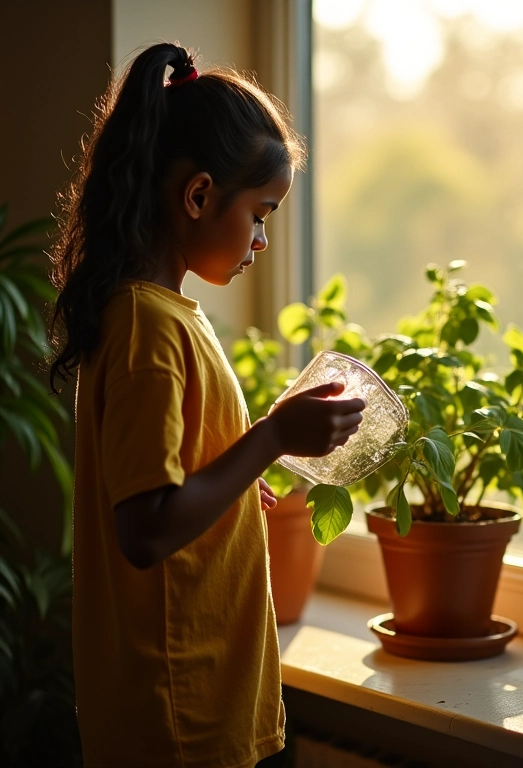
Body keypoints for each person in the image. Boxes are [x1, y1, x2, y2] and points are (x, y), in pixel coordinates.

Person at [48, 42, 365, 768]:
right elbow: (146, 531)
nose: (259, 241)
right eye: (260, 215)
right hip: (176, 720)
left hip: (204, 702)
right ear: (197, 196)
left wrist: (237, 480)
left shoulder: (169, 317)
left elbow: (170, 484)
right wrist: (273, 436)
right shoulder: (144, 329)